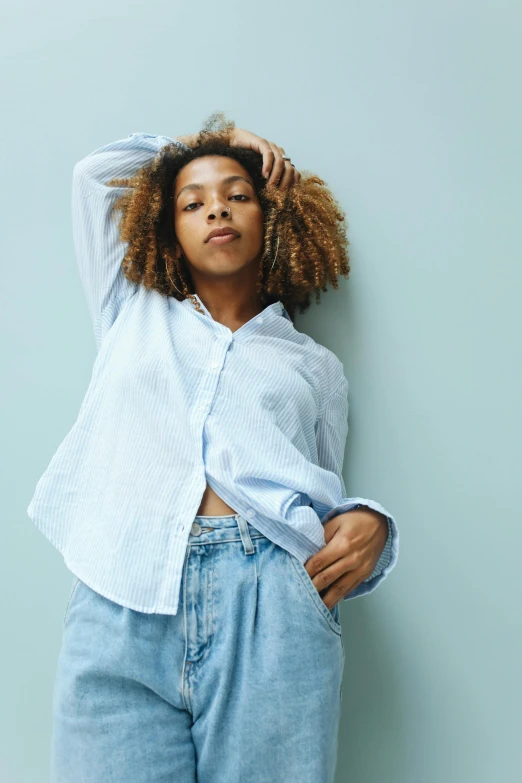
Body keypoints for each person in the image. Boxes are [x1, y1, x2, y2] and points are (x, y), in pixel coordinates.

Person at [27, 111, 399, 783]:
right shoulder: (129, 309)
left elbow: (323, 491)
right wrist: (208, 150)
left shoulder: (314, 366)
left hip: (271, 603)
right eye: (191, 203)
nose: (216, 209)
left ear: (273, 217)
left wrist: (370, 523)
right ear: (166, 227)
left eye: (238, 194)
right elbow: (95, 176)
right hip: (122, 589)